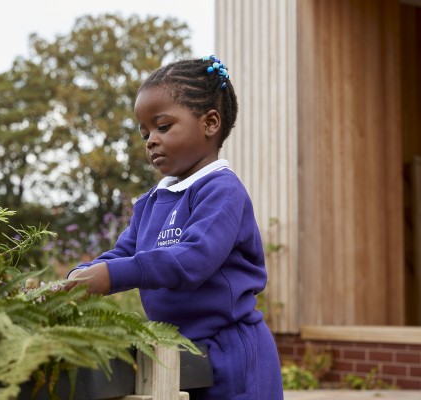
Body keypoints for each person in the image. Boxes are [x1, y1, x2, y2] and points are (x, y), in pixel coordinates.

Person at [64, 55, 284, 400]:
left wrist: (112, 275)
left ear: (210, 123)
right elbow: (124, 253)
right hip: (175, 348)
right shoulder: (152, 201)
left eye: (163, 127)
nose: (151, 140)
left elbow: (194, 258)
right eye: (145, 132)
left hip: (232, 356)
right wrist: (82, 275)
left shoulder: (221, 190)